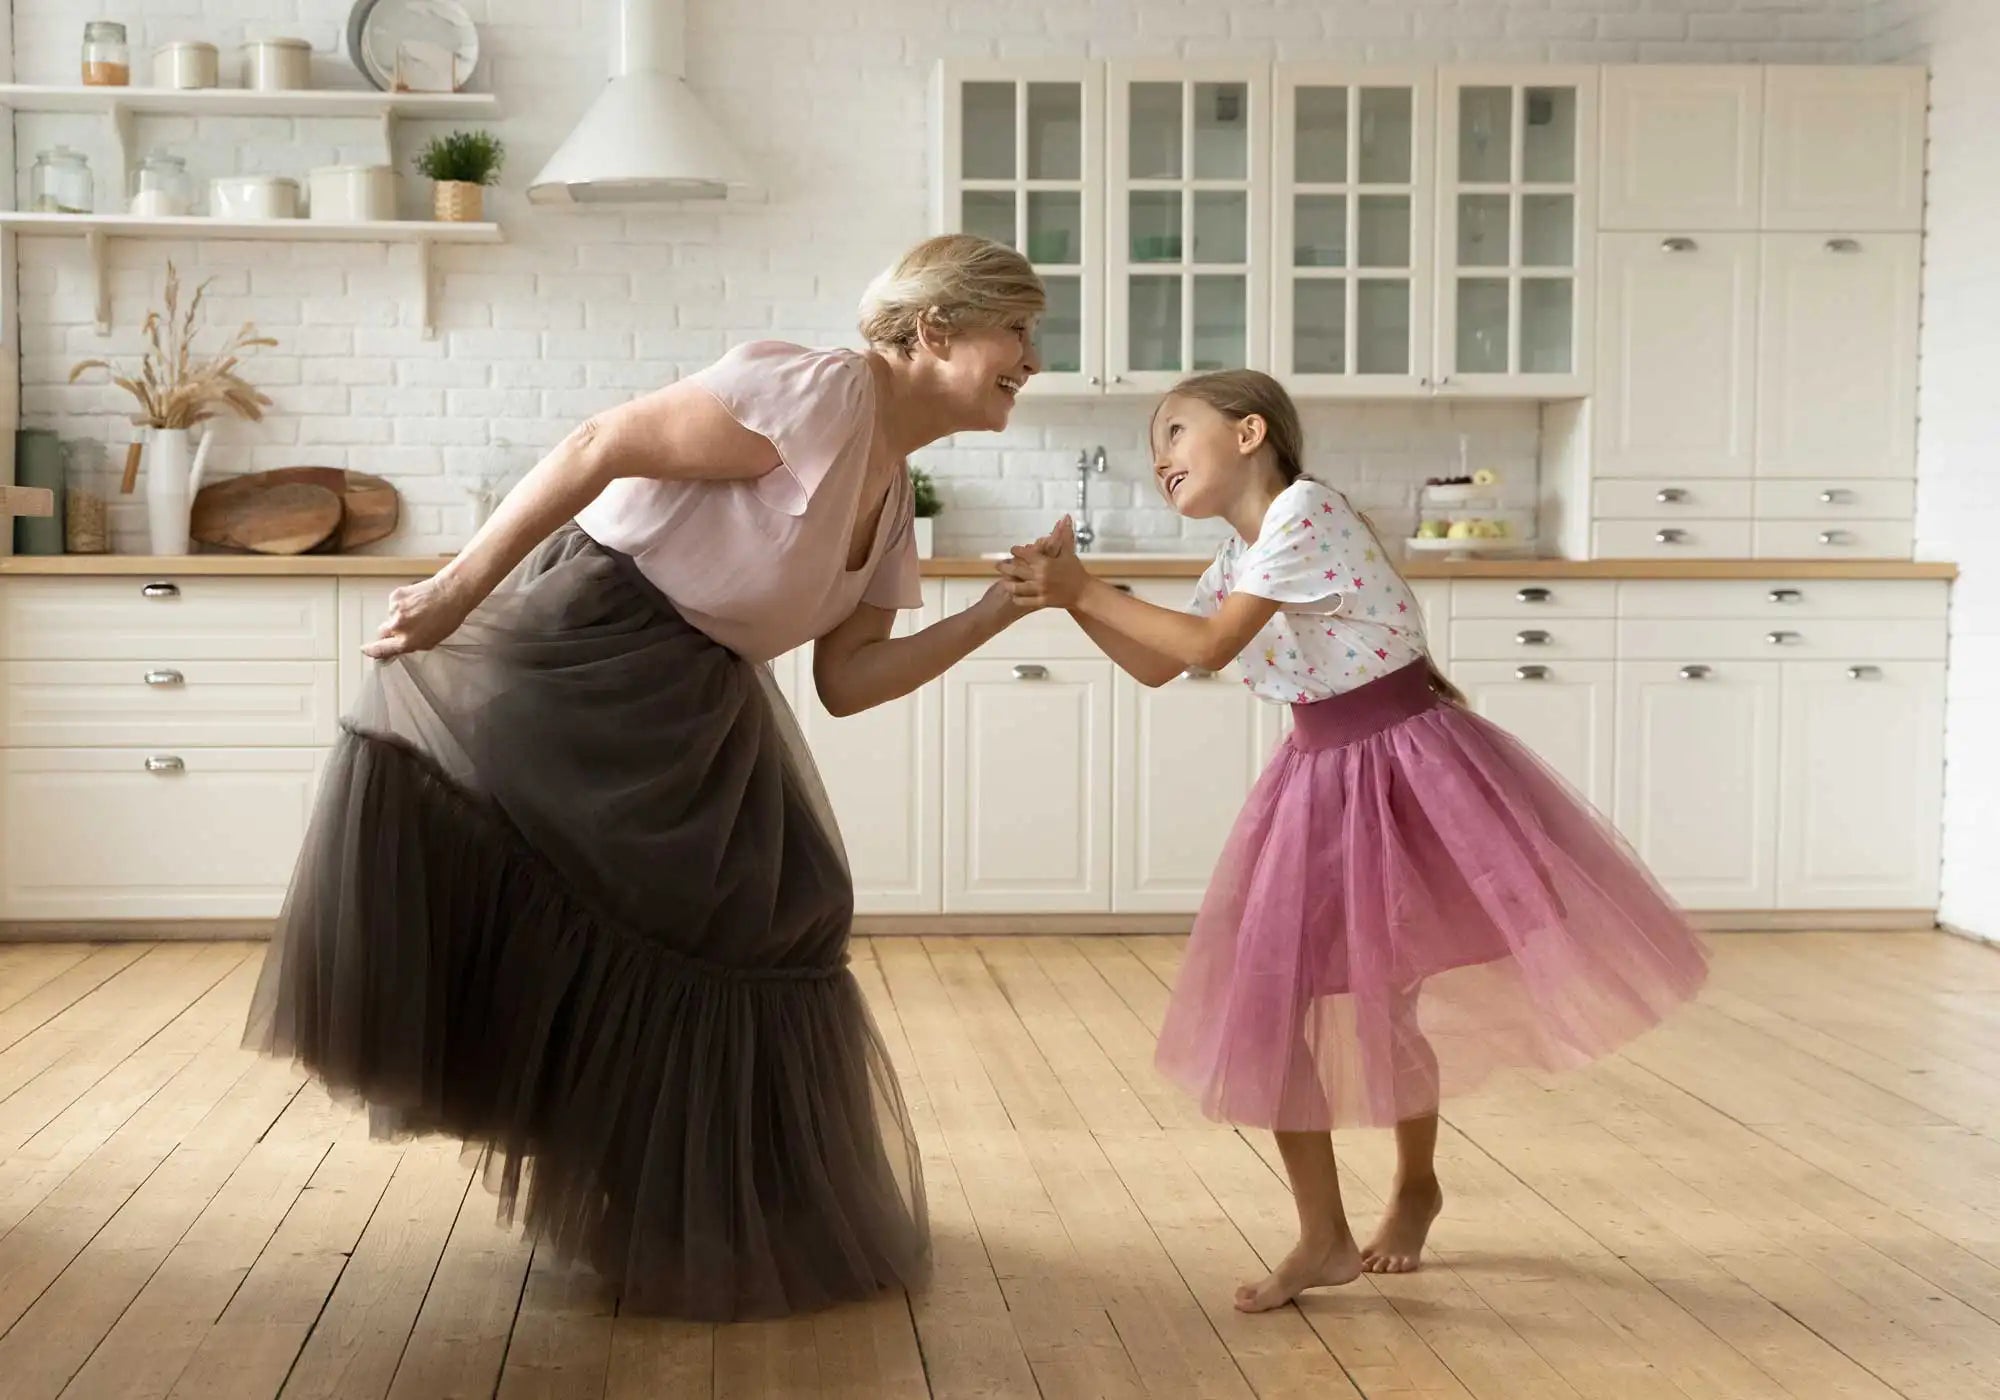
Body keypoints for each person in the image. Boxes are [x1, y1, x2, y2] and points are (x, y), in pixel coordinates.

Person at [243, 233, 1048, 1321]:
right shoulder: (816, 392)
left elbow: (850, 678)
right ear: (934, 330)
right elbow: (600, 443)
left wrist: (996, 612)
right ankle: (673, 1195)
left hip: (699, 689)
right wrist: (455, 589)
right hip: (594, 648)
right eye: (1018, 330)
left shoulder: (893, 489)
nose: (1032, 357)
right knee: (664, 913)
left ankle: (718, 1198)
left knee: (792, 904)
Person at [998, 369, 1709, 1313]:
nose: (1159, 457)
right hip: (1321, 776)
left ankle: (1414, 1186)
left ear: (1249, 432)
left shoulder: (1304, 512)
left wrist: (1085, 584)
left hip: (1408, 768)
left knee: (1390, 987)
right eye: (1153, 446)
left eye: (1175, 432)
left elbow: (1209, 649)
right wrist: (1071, 602)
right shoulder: (1238, 558)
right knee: (1282, 997)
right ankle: (1324, 1235)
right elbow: (1157, 665)